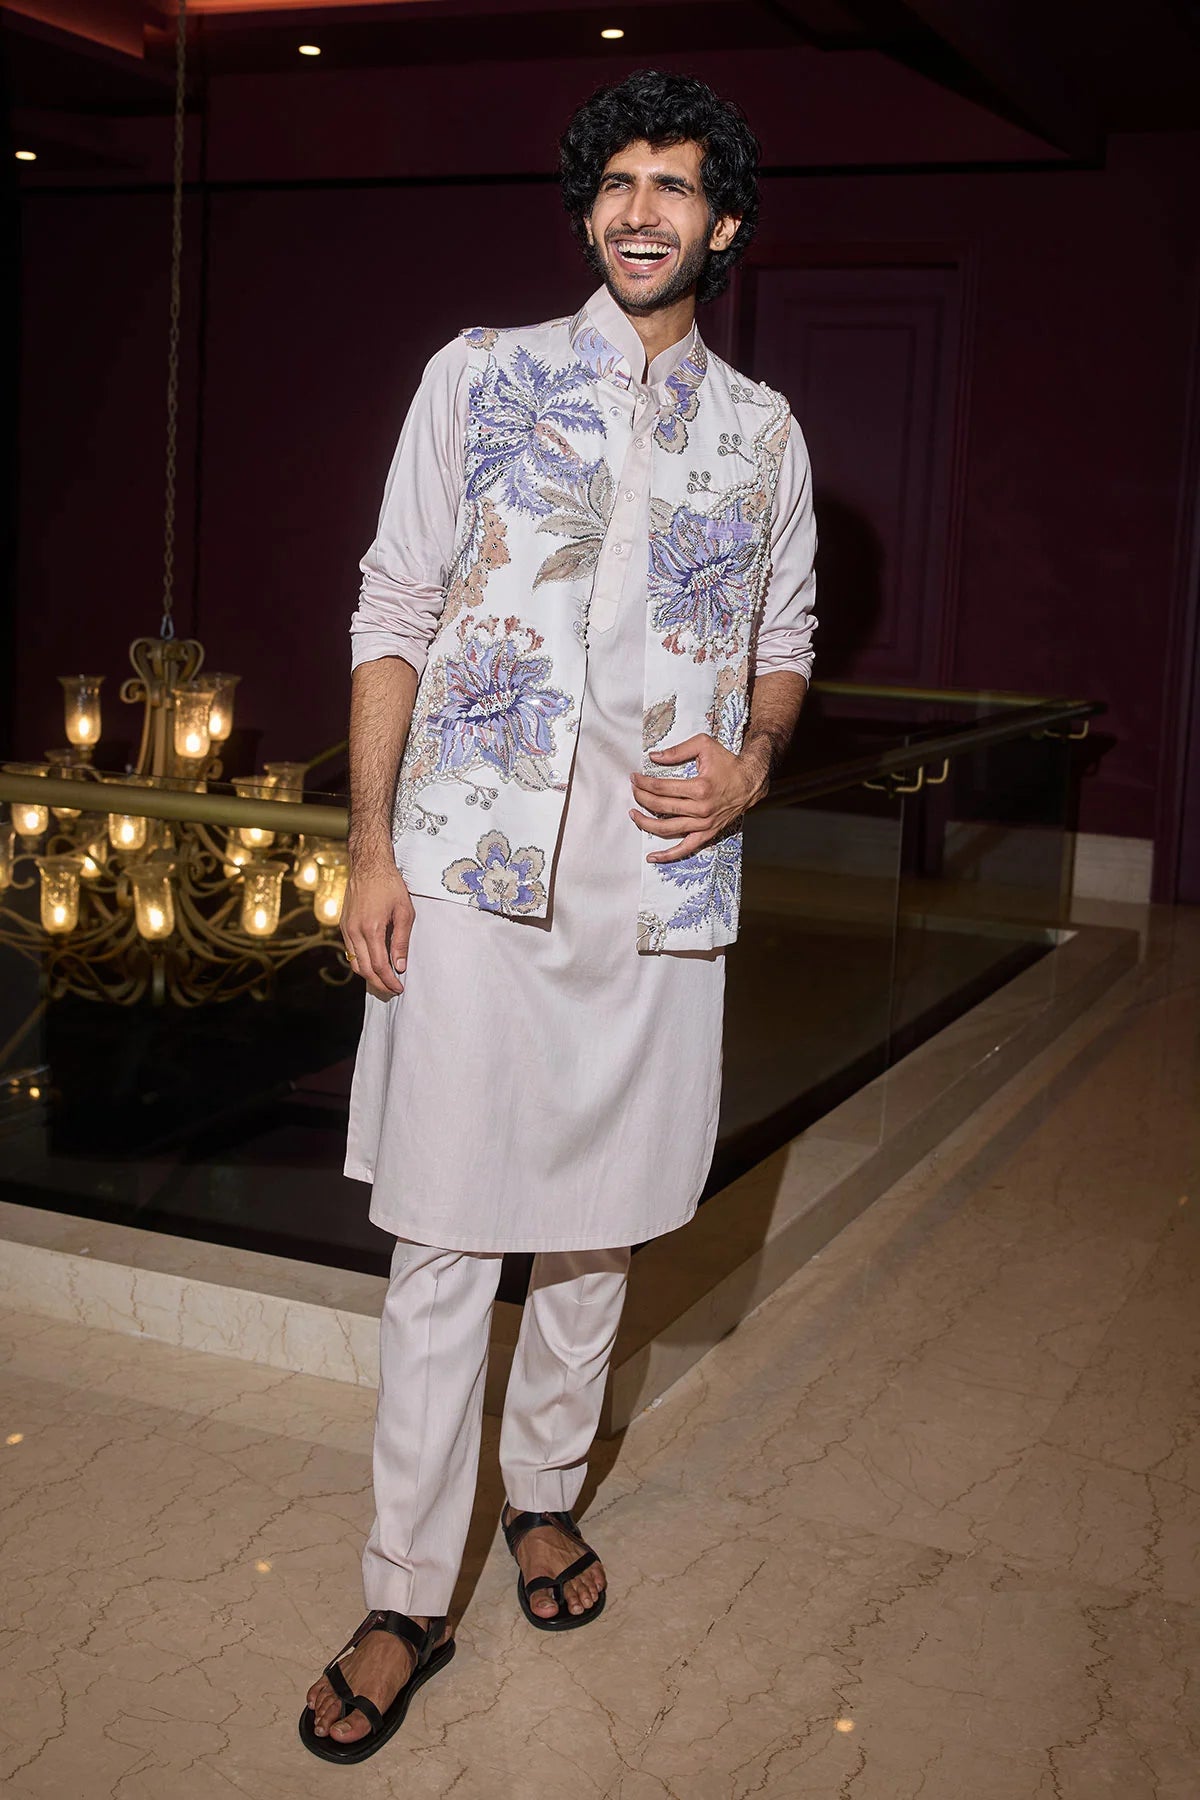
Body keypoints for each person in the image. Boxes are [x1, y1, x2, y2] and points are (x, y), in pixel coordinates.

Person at [299, 67, 818, 1764]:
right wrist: (370, 847)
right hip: (470, 871)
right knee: (447, 1237)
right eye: (618, 182)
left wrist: (753, 762)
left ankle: (542, 1498)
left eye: (676, 186)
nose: (641, 210)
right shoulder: (481, 376)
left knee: (598, 1230)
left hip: (658, 886)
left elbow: (787, 642)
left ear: (722, 226)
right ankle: (401, 1595)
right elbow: (392, 604)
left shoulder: (765, 434)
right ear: (592, 210)